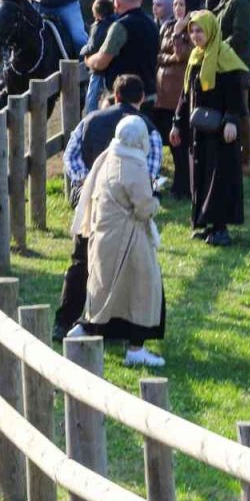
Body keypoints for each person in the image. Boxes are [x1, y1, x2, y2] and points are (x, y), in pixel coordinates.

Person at [54, 74, 159, 340]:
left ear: (116, 94)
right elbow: (151, 168)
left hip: (90, 204)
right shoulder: (146, 127)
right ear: (142, 98)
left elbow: (71, 155)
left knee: (81, 263)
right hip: (126, 212)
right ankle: (117, 329)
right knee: (129, 271)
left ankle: (66, 321)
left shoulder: (90, 120)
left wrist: (86, 181)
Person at [67, 115, 165, 367]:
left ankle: (84, 329)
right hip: (128, 239)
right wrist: (156, 199)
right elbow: (143, 207)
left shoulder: (110, 156)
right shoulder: (134, 164)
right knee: (142, 287)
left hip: (105, 235)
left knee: (102, 287)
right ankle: (135, 348)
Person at [171, 10, 248, 247]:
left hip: (221, 132)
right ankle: (205, 222)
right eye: (192, 31)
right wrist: (177, 123)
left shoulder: (226, 58)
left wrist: (231, 121)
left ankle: (220, 227)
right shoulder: (196, 57)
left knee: (220, 177)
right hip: (200, 130)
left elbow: (236, 96)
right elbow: (186, 95)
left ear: (211, 30)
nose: (195, 35)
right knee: (201, 176)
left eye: (199, 30)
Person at [85, 0, 159, 113]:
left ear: (117, 4)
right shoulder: (152, 24)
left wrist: (88, 60)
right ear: (139, 0)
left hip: (123, 99)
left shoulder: (120, 26)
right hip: (149, 96)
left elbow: (102, 61)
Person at [156, 0, 200, 199]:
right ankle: (179, 181)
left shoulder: (195, 28)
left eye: (181, 5)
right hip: (163, 94)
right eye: (175, 5)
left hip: (180, 93)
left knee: (182, 141)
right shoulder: (167, 25)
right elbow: (159, 56)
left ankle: (184, 185)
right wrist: (171, 57)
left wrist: (179, 33)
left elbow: (184, 54)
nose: (177, 9)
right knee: (170, 140)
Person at [79, 0, 115, 114]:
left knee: (92, 100)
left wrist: (83, 51)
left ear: (98, 13)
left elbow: (92, 46)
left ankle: (92, 119)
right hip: (112, 69)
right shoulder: (117, 23)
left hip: (98, 70)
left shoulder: (98, 27)